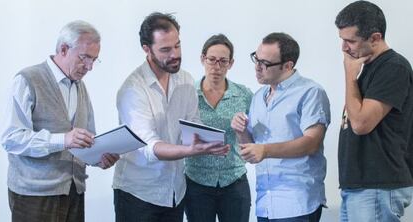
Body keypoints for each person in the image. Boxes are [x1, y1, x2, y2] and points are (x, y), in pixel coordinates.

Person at [113, 12, 230, 222]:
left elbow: (192, 123)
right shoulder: (132, 90)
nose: (175, 54)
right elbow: (149, 147)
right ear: (146, 49)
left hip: (175, 192)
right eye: (165, 50)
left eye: (177, 45)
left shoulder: (185, 79)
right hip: (138, 194)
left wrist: (210, 142)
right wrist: (190, 150)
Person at [0, 20, 119, 222]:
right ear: (63, 49)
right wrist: (62, 139)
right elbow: (11, 138)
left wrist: (98, 158)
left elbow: (84, 140)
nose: (89, 67)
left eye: (94, 60)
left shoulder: (80, 87)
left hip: (74, 191)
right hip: (35, 196)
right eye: (85, 58)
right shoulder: (28, 79)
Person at [231, 32, 330, 222]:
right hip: (265, 201)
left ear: (288, 65)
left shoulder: (310, 92)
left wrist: (265, 150)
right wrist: (241, 131)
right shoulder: (259, 96)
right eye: (256, 59)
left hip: (297, 200)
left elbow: (311, 143)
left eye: (265, 63)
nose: (257, 68)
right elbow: (253, 152)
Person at [335, 1, 413, 221]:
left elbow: (360, 124)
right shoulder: (368, 68)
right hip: (360, 186)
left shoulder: (393, 66)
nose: (344, 48)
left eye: (350, 41)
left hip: (377, 185)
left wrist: (349, 76)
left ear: (375, 38)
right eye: (342, 39)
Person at [184, 34, 252, 222]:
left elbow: (254, 144)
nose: (217, 67)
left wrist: (242, 131)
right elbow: (175, 135)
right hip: (196, 181)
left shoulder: (244, 95)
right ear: (202, 59)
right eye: (212, 60)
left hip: (234, 180)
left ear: (231, 63)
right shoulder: (187, 94)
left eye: (223, 61)